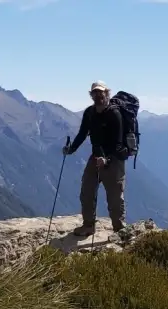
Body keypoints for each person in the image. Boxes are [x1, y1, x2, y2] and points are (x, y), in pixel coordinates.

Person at [63, 81, 127, 236]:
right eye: (95, 93)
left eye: (101, 92)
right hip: (96, 157)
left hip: (114, 160)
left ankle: (119, 229)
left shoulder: (114, 114)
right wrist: (71, 149)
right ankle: (89, 225)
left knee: (114, 197)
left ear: (107, 93)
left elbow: (118, 143)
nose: (98, 95)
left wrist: (108, 160)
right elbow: (82, 134)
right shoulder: (90, 113)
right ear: (91, 95)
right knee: (87, 190)